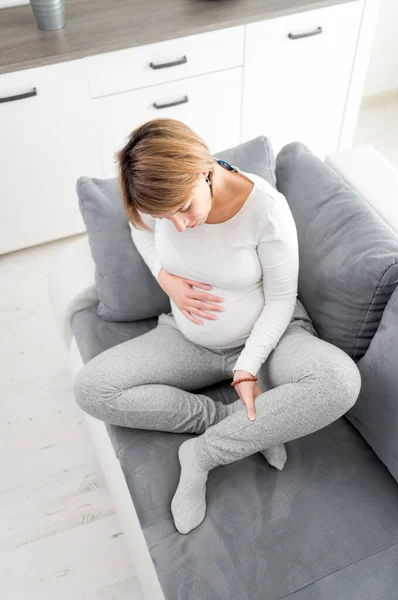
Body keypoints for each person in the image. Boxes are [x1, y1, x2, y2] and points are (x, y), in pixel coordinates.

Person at [74, 118, 362, 535]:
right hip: (186, 339)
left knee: (339, 382)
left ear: (204, 171)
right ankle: (230, 418)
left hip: (268, 339)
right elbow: (142, 230)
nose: (179, 225)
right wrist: (163, 275)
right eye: (165, 216)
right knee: (92, 388)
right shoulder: (159, 195)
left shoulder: (266, 209)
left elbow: (281, 299)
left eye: (185, 209)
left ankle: (203, 455)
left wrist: (247, 367)